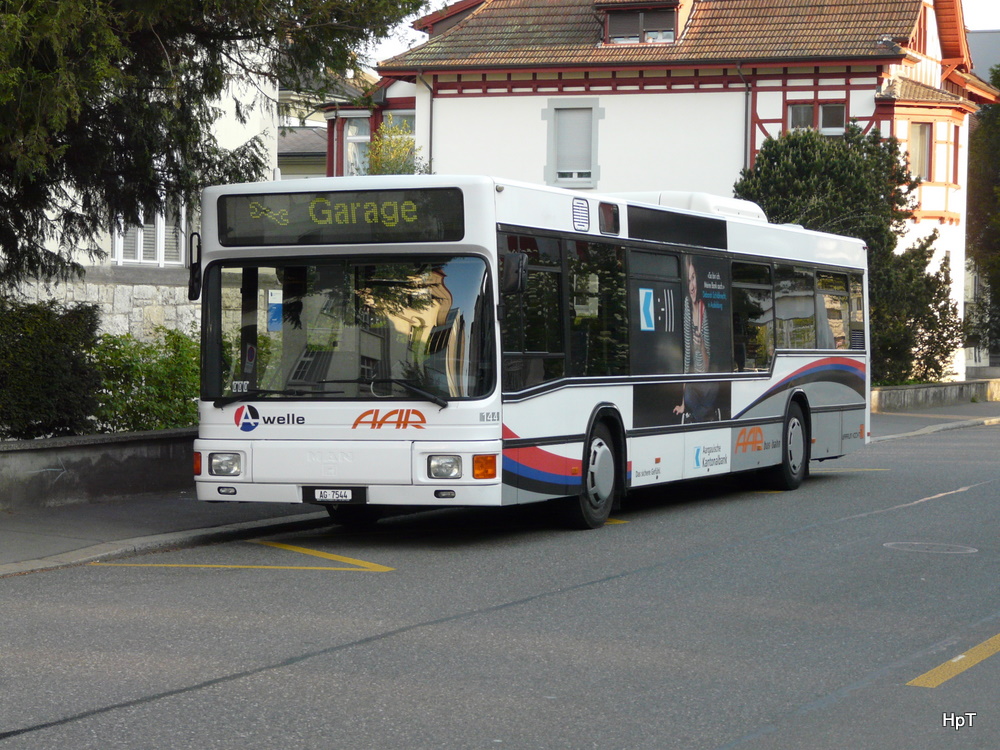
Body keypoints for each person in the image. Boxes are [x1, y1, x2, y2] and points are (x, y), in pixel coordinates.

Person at [674, 257, 717, 421]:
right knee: (690, 397)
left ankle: (697, 416)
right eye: (688, 280)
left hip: (707, 383)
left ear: (698, 278)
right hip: (692, 385)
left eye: (694, 278)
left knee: (714, 387)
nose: (692, 285)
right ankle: (707, 415)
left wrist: (701, 348)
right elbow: (686, 355)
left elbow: (705, 367)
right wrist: (682, 402)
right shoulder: (686, 305)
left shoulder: (703, 309)